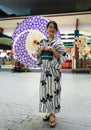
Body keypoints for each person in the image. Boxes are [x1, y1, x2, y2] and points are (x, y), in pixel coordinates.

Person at [36, 21, 66, 127]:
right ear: (47, 29)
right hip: (44, 72)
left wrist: (52, 50)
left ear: (56, 30)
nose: (51, 29)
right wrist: (42, 49)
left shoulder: (58, 42)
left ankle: (53, 114)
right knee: (45, 92)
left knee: (54, 92)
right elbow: (37, 56)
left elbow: (62, 56)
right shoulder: (42, 41)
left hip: (54, 72)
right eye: (50, 27)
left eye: (53, 28)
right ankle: (48, 112)